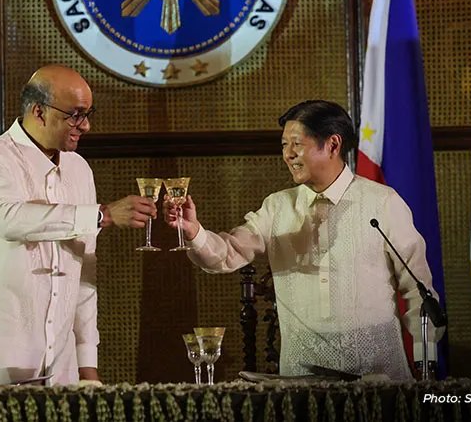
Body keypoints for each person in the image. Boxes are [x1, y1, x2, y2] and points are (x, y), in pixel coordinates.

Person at [164, 100, 444, 380]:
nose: (288, 155)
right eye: (284, 145)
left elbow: (419, 292)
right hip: (299, 386)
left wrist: (425, 364)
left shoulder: (383, 202)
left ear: (333, 145)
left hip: (380, 381)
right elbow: (226, 254)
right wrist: (193, 231)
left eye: (296, 144)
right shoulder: (277, 207)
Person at [0, 65, 155, 385]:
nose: (87, 125)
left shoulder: (80, 169)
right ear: (39, 112)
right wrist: (102, 215)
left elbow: (83, 272)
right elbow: (8, 219)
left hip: (60, 367)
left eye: (88, 113)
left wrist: (87, 366)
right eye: (76, 114)